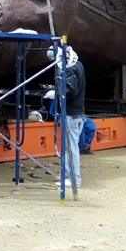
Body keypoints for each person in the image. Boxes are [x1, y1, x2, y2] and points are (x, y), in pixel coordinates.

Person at [50, 47, 87, 189]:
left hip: (71, 113)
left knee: (71, 149)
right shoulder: (78, 64)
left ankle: (73, 180)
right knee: (70, 148)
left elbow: (71, 89)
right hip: (78, 112)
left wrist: (56, 93)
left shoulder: (69, 68)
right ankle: (68, 176)